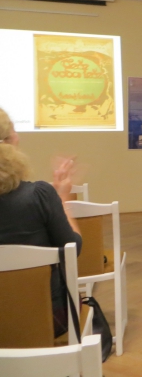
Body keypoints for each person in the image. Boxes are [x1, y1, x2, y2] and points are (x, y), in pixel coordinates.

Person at [0, 108, 82, 338]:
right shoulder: (38, 196)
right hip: (46, 316)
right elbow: (72, 249)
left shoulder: (40, 195)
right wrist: (62, 199)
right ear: (9, 142)